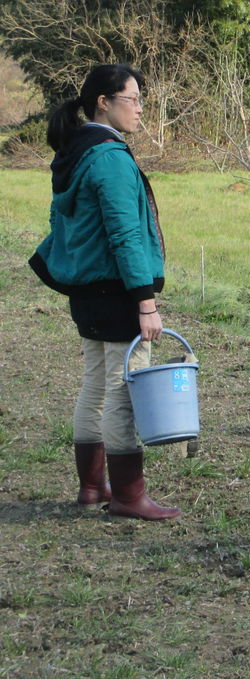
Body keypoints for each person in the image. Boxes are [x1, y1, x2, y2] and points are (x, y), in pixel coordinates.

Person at [29, 64, 181, 521]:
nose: (139, 109)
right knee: (123, 388)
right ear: (103, 102)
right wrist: (146, 302)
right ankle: (129, 497)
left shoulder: (77, 151)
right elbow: (125, 236)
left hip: (87, 290)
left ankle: (93, 487)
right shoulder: (110, 158)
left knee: (97, 382)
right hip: (117, 291)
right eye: (132, 99)